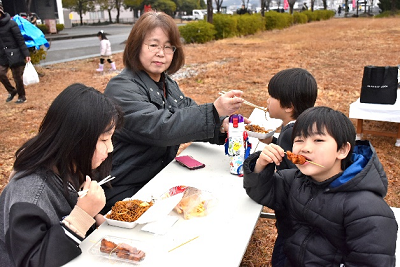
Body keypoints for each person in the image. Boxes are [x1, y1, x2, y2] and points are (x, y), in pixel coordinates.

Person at [103, 11, 245, 213]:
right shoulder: (121, 88)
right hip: (124, 186)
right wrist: (213, 111)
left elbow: (188, 111)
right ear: (136, 46)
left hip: (158, 177)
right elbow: (161, 127)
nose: (161, 53)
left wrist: (221, 124)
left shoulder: (166, 83)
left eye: (168, 47)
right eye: (153, 45)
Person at [243, 106, 397, 266]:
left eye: (318, 140)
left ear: (342, 150)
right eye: (299, 140)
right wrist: (260, 165)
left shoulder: (367, 210)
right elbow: (260, 192)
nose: (305, 148)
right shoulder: (294, 179)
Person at [0, 83, 123, 266]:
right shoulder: (30, 192)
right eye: (104, 139)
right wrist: (82, 216)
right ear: (75, 139)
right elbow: (31, 261)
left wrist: (94, 217)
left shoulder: (70, 166)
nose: (110, 148)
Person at [257, 68, 317, 266]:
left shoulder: (289, 134)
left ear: (289, 106)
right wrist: (270, 139)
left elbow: (289, 177)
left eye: (272, 96)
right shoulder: (303, 128)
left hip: (293, 222)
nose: (267, 100)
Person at [0, 1, 31, 103]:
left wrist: (26, 54)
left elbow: (20, 39)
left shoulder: (11, 24)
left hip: (15, 53)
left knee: (17, 77)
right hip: (3, 55)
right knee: (1, 73)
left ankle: (22, 97)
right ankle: (12, 91)